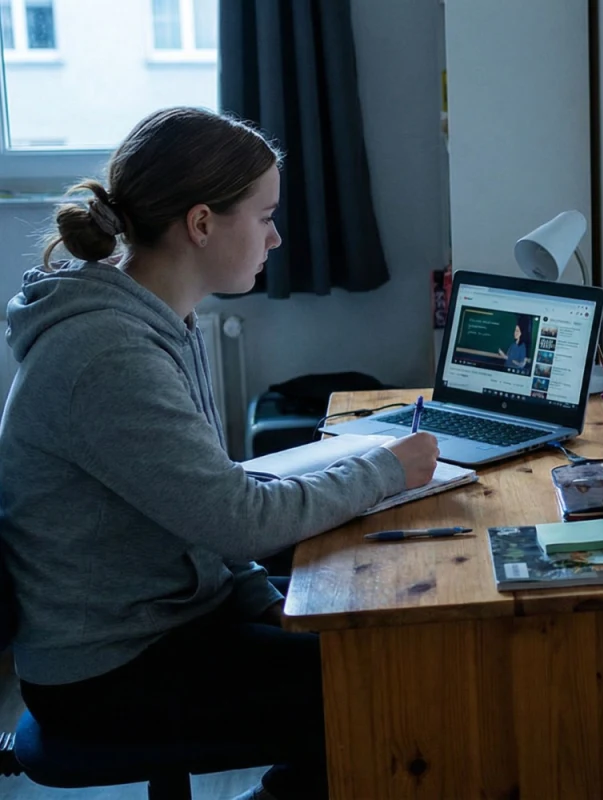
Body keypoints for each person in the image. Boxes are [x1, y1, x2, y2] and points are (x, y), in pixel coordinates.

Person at [0, 107, 440, 800]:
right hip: (108, 671)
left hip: (165, 625)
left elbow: (201, 499)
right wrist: (389, 470)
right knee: (382, 690)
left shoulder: (162, 320)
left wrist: (255, 595)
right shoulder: (107, 352)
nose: (277, 235)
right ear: (202, 224)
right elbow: (236, 517)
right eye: (264, 215)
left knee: (370, 661)